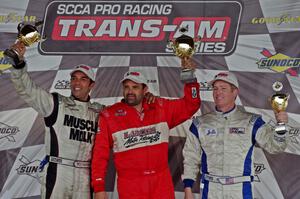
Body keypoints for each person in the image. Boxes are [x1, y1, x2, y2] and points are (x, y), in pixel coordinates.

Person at [5, 41, 105, 199]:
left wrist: (149, 100)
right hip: (59, 171)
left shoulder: (99, 112)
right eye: (74, 78)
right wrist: (19, 66)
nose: (77, 83)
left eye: (83, 79)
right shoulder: (56, 103)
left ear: (92, 85)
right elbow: (27, 90)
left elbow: (125, 115)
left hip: (85, 174)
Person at [91, 66, 201, 199]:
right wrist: (99, 188)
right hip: (131, 185)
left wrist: (189, 78)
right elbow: (99, 155)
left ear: (145, 90)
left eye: (135, 87)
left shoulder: (160, 107)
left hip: (161, 183)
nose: (130, 91)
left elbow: (191, 104)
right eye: (126, 87)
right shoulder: (109, 115)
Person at [182, 72, 289, 199]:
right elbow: (190, 157)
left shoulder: (251, 121)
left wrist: (281, 125)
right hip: (211, 189)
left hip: (240, 190)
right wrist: (188, 188)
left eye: (223, 88)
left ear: (235, 92)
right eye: (215, 89)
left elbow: (276, 147)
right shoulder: (200, 123)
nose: (218, 93)